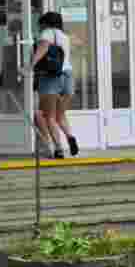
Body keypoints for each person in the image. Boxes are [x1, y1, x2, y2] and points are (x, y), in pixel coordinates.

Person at [30, 11, 79, 159]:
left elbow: (43, 49)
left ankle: (58, 149)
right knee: (60, 115)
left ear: (45, 23)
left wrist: (30, 65)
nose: (40, 27)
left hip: (51, 77)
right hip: (68, 77)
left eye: (41, 24)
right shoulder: (64, 36)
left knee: (49, 116)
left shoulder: (46, 34)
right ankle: (70, 136)